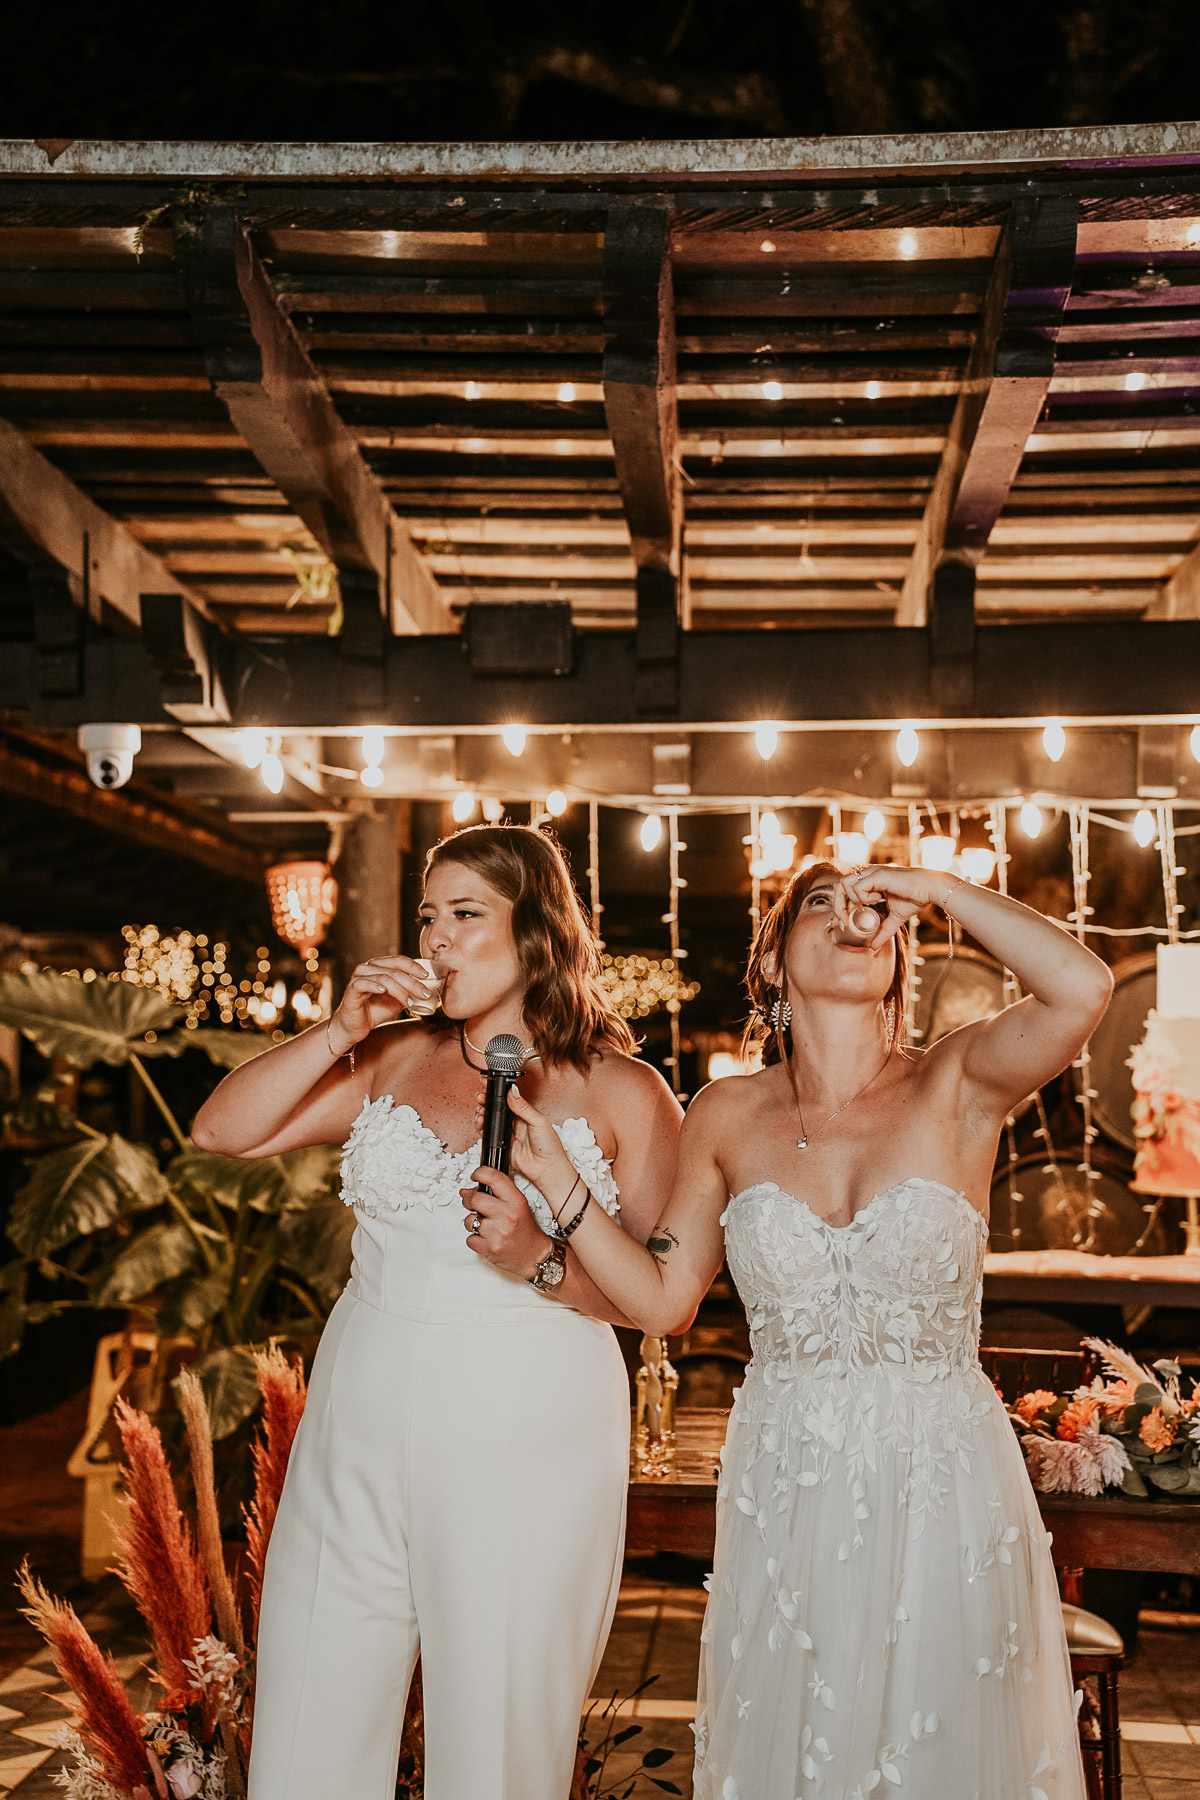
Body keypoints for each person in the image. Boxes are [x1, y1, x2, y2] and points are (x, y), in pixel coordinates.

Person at [472, 860, 1112, 1800]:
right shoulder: (727, 1112)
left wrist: (928, 886)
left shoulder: (961, 1079)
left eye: (875, 913)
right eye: (822, 903)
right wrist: (556, 1201)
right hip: (788, 1479)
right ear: (771, 963)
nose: (854, 917)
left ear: (901, 953)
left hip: (944, 1480)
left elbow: (1084, 986)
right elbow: (662, 1300)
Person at [191, 824, 681, 1800]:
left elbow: (661, 1303)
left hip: (528, 1437)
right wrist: (340, 1030)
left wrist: (541, 1257)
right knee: (302, 1741)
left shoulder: (628, 1091)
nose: (438, 938)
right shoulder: (391, 1059)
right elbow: (220, 1131)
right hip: (356, 1428)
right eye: (429, 916)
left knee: (496, 1751)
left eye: (466, 915)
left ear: (539, 930)